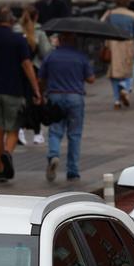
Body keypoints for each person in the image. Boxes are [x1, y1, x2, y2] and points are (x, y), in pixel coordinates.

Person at [0, 7, 42, 183]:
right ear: (11, 22)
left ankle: (0, 169)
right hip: (14, 90)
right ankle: (8, 153)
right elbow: (27, 65)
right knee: (13, 128)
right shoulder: (18, 40)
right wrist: (36, 89)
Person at [39, 32, 95, 183]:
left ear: (60, 40)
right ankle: (73, 171)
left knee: (55, 131)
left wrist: (42, 93)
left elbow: (41, 77)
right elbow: (91, 79)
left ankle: (54, 155)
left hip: (55, 96)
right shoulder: (80, 57)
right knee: (75, 135)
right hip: (75, 97)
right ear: (73, 40)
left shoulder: (51, 56)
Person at [15, 4, 53, 146]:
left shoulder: (16, 31)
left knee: (20, 101)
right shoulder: (40, 32)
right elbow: (46, 53)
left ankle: (19, 129)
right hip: (35, 69)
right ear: (36, 16)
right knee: (36, 100)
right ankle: (37, 133)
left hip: (18, 71)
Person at [102, 0, 134, 109]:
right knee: (127, 70)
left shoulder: (111, 14)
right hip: (127, 43)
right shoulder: (133, 15)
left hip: (113, 44)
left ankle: (116, 101)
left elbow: (102, 26)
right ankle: (125, 87)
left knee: (114, 73)